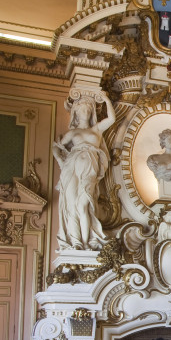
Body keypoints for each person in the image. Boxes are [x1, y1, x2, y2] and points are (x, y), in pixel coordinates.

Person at [52, 94, 114, 250]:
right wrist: (60, 161)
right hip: (71, 167)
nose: (85, 112)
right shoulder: (72, 133)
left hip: (89, 168)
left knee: (83, 204)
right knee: (72, 204)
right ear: (76, 113)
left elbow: (111, 119)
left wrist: (106, 100)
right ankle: (77, 242)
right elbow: (56, 147)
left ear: (92, 112)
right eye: (81, 109)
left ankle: (86, 241)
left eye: (88, 109)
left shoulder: (97, 129)